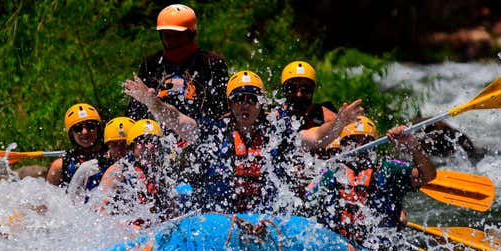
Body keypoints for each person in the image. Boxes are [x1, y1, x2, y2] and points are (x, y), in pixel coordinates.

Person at [124, 70, 364, 214]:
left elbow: (315, 137)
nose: (245, 104)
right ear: (230, 103)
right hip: (220, 217)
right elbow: (178, 120)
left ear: (261, 103)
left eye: (252, 99)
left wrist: (339, 123)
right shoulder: (215, 132)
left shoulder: (276, 134)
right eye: (239, 99)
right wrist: (153, 103)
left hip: (264, 216)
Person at [306, 116, 437, 251]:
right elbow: (305, 207)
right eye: (352, 141)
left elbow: (428, 175)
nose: (359, 147)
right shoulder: (331, 173)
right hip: (339, 249)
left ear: (373, 146)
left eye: (365, 141)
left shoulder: (388, 170)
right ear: (342, 146)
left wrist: (411, 144)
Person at [126, 4, 229, 123]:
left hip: (196, 129)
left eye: (177, 35)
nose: (171, 40)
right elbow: (134, 114)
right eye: (167, 34)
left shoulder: (212, 64)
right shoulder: (151, 65)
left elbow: (221, 113)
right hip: (157, 131)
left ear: (191, 34)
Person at [96, 119, 179, 227]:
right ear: (132, 147)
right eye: (142, 141)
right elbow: (98, 213)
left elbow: (172, 212)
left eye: (153, 141)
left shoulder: (161, 172)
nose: (150, 146)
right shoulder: (118, 171)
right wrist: (127, 226)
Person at [66, 116, 135, 202]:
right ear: (108, 145)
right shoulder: (88, 168)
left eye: (124, 144)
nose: (119, 150)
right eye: (114, 144)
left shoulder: (140, 167)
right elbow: (70, 202)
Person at [44, 103, 105, 187]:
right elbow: (48, 194)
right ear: (72, 134)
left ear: (98, 129)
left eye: (90, 126)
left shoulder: (111, 156)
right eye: (78, 128)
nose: (85, 132)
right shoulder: (59, 166)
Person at [276, 60, 338, 131]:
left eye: (305, 89)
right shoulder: (275, 117)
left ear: (312, 90)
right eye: (292, 88)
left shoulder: (326, 116)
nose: (299, 94)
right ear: (284, 90)